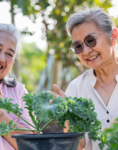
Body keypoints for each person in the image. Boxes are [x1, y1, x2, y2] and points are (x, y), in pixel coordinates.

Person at [50, 8, 118, 150]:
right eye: (78, 46)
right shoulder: (76, 88)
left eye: (90, 40)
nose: (86, 51)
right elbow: (77, 146)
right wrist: (68, 117)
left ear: (113, 36)